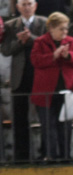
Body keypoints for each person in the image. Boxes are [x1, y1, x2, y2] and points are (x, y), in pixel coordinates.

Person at [30, 11, 73, 162]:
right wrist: (53, 56)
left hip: (66, 90)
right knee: (48, 125)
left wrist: (67, 56)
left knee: (65, 126)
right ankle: (50, 155)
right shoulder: (40, 42)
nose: (64, 32)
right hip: (46, 91)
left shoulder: (71, 41)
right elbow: (36, 60)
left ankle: (66, 156)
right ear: (51, 28)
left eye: (66, 29)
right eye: (61, 29)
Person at [1, 0, 47, 162]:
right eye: (23, 4)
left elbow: (47, 46)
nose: (26, 7)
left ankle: (46, 153)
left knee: (44, 117)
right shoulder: (11, 25)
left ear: (35, 5)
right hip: (19, 77)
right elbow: (6, 50)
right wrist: (20, 42)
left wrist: (31, 38)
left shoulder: (45, 22)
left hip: (39, 76)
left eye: (29, 4)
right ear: (18, 7)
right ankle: (21, 156)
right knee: (19, 119)